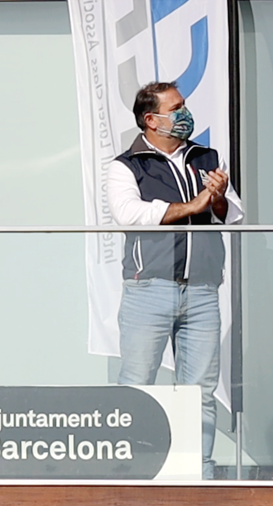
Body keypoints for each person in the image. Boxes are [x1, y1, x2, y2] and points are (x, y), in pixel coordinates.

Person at [107, 81, 243, 479]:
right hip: (147, 288)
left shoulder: (205, 156)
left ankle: (197, 471)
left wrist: (216, 197)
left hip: (201, 289)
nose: (185, 113)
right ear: (151, 119)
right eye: (176, 108)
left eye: (184, 106)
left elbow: (232, 215)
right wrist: (193, 204)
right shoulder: (127, 165)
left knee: (200, 391)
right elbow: (130, 214)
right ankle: (131, 468)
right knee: (138, 384)